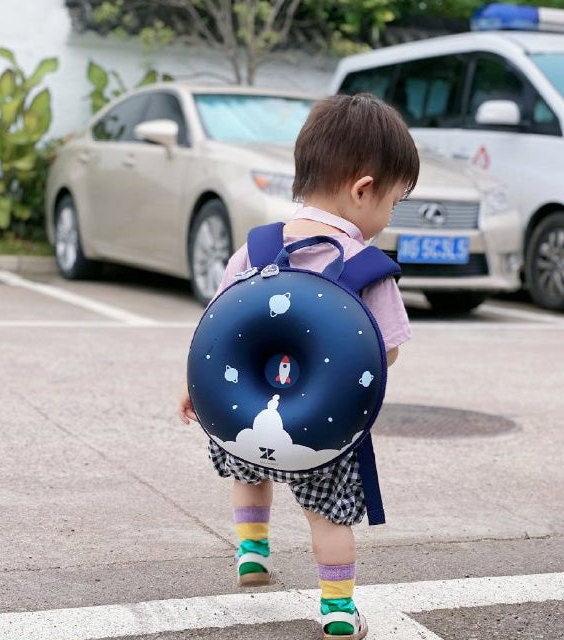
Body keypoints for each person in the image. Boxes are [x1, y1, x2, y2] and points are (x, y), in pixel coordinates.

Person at [178, 93, 419, 639]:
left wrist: (193, 388)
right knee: (329, 518)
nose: (388, 215)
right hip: (317, 429)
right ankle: (336, 610)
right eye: (394, 202)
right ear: (364, 190)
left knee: (249, 469)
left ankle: (252, 551)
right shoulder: (365, 267)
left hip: (244, 414)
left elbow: (218, 331)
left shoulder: (256, 249)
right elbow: (388, 349)